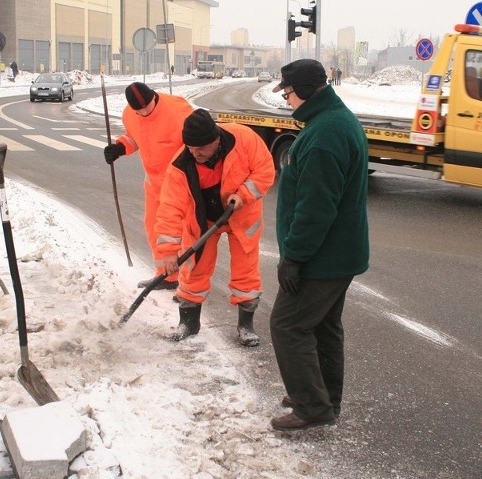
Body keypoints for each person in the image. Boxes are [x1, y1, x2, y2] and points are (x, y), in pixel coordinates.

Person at [268, 59, 369, 431]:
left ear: (308, 92)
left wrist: (293, 256)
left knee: (287, 326)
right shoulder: (332, 121)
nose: (287, 100)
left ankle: (312, 406)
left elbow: (316, 209)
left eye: (290, 93)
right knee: (323, 327)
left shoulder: (324, 136)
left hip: (322, 258)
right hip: (338, 253)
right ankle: (323, 397)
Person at [154, 109, 275, 346]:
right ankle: (189, 323)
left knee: (246, 270)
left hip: (241, 216)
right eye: (190, 148)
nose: (194, 153)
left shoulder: (244, 139)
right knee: (194, 267)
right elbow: (169, 207)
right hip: (203, 220)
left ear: (216, 139)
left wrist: (243, 195)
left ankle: (245, 325)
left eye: (200, 148)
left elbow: (265, 170)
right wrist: (168, 251)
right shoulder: (181, 164)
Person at [104, 82, 195, 290]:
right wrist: (119, 147)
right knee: (154, 227)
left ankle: (190, 284)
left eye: (147, 107)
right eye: (139, 110)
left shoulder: (177, 110)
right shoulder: (130, 114)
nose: (144, 113)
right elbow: (135, 138)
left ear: (154, 96)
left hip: (181, 183)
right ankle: (166, 276)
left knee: (183, 233)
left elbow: (197, 141)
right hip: (153, 182)